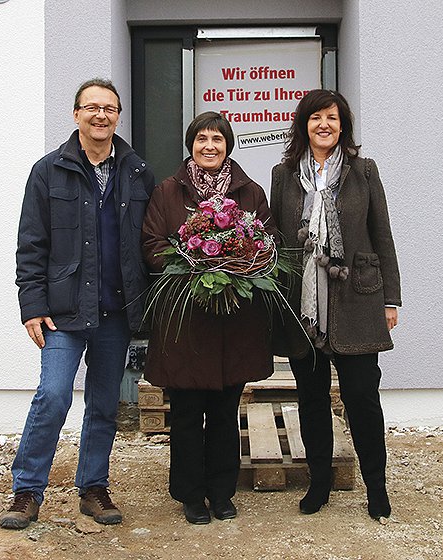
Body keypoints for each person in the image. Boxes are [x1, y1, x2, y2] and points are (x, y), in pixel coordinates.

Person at [0, 78, 155, 529]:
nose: (100, 115)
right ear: (76, 114)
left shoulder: (138, 172)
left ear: (118, 116)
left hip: (117, 311)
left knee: (105, 403)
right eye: (92, 107)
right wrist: (31, 304)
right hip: (63, 311)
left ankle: (93, 487)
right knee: (52, 396)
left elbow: (148, 242)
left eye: (109, 108)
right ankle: (27, 491)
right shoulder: (48, 171)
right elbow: (31, 244)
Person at [270, 90, 401, 520]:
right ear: (303, 125)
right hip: (304, 305)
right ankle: (319, 483)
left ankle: (376, 489)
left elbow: (382, 235)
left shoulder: (363, 170)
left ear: (342, 124)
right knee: (310, 399)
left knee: (362, 398)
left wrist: (390, 298)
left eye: (332, 117)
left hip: (356, 300)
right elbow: (279, 244)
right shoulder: (284, 174)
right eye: (315, 118)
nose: (323, 124)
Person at [142, 112, 276, 524]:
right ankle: (189, 494)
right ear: (191, 144)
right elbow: (151, 242)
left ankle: (222, 492)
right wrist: (191, 264)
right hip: (186, 322)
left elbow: (267, 241)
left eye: (217, 139)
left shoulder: (249, 192)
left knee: (223, 411)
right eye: (202, 138)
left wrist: (236, 266)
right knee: (185, 412)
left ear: (228, 145)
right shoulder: (168, 191)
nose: (209, 146)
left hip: (232, 321)